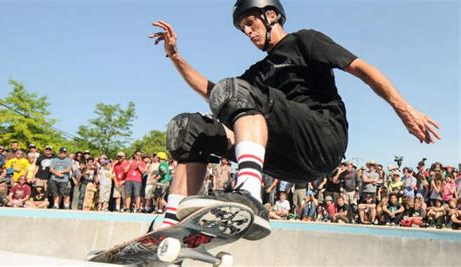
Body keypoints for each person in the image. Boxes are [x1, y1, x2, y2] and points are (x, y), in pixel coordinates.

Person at [149, 0, 440, 239]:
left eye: (250, 23)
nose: (248, 32)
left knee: (235, 91)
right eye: (242, 29)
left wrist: (404, 109)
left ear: (271, 15)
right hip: (287, 159)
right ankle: (172, 223)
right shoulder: (256, 73)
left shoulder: (304, 40)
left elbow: (361, 68)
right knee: (189, 129)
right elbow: (216, 94)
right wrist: (175, 57)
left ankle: (249, 194)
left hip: (323, 137)